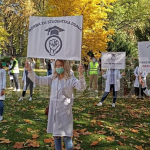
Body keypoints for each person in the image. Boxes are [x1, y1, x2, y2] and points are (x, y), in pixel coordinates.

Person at [25, 59, 86, 150]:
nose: (58, 67)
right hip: (54, 112)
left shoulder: (70, 79)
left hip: (65, 112)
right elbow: (38, 80)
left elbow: (81, 87)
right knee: (56, 136)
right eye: (57, 65)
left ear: (65, 66)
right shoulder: (53, 78)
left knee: (66, 137)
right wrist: (30, 70)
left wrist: (81, 75)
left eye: (60, 65)